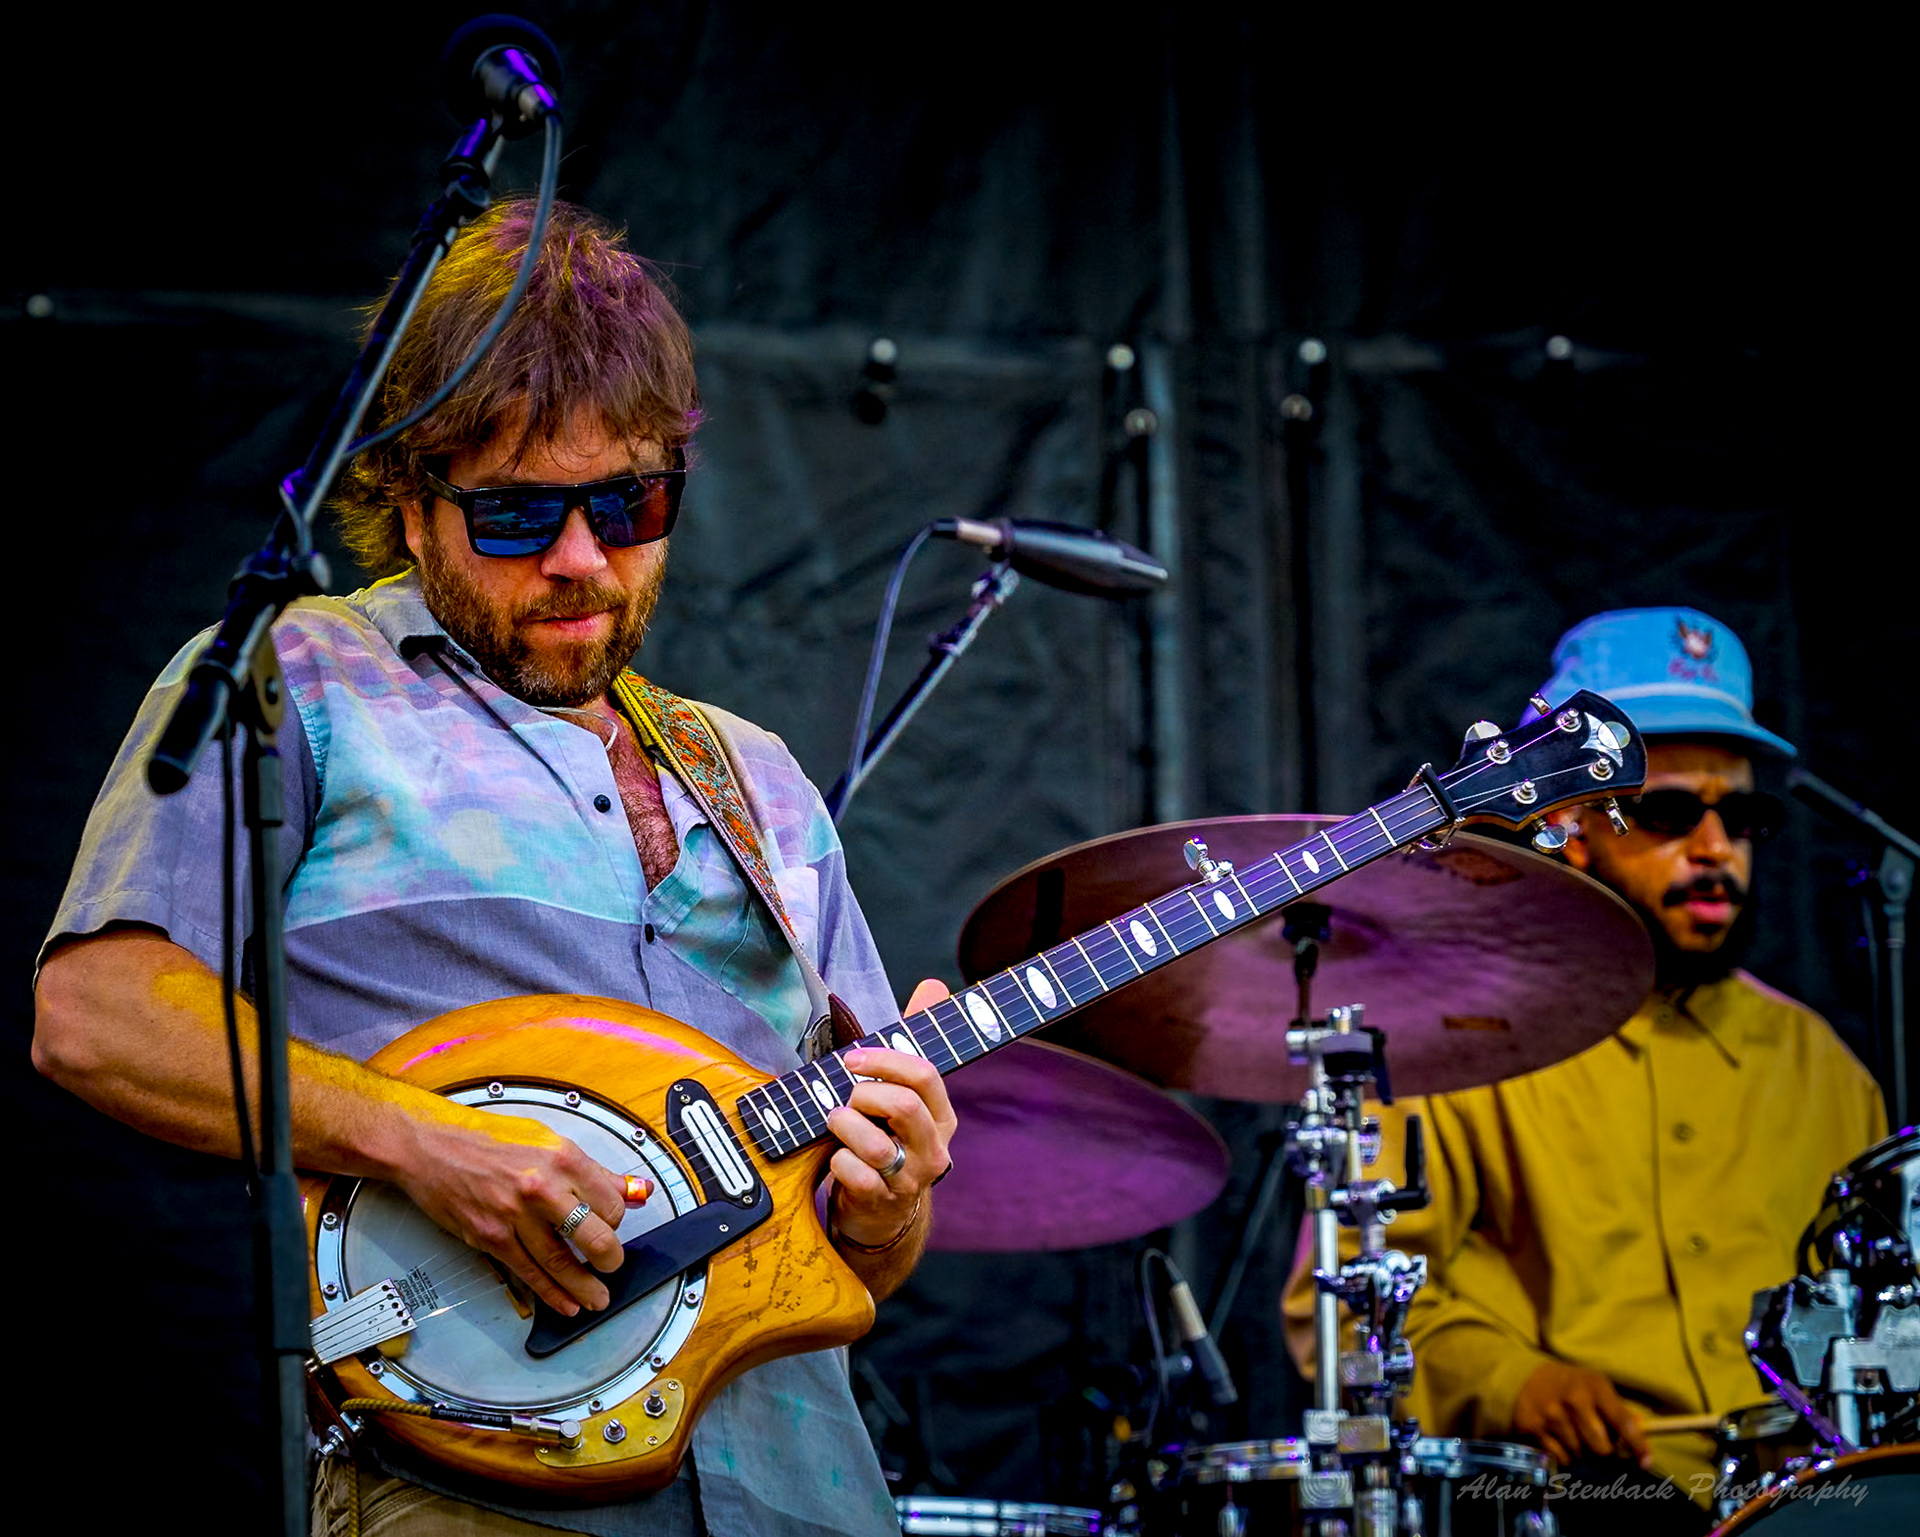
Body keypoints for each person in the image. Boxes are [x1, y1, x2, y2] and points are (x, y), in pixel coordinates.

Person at [31, 198, 955, 1537]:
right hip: (471, 1482)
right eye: (518, 514)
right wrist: (424, 1141)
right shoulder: (298, 682)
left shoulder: (760, 778)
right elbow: (94, 1014)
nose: (582, 560)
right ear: (411, 503)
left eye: (629, 502)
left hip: (802, 1495)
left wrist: (891, 1196)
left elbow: (863, 1251)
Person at [1283, 606, 1887, 1531]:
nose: (1715, 849)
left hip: (1809, 1502)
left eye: (1742, 816)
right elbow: (1337, 1305)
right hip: (1566, 1503)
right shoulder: (1455, 1043)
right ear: (1568, 822)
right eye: (1670, 812)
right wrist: (1510, 1382)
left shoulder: (1826, 1071)